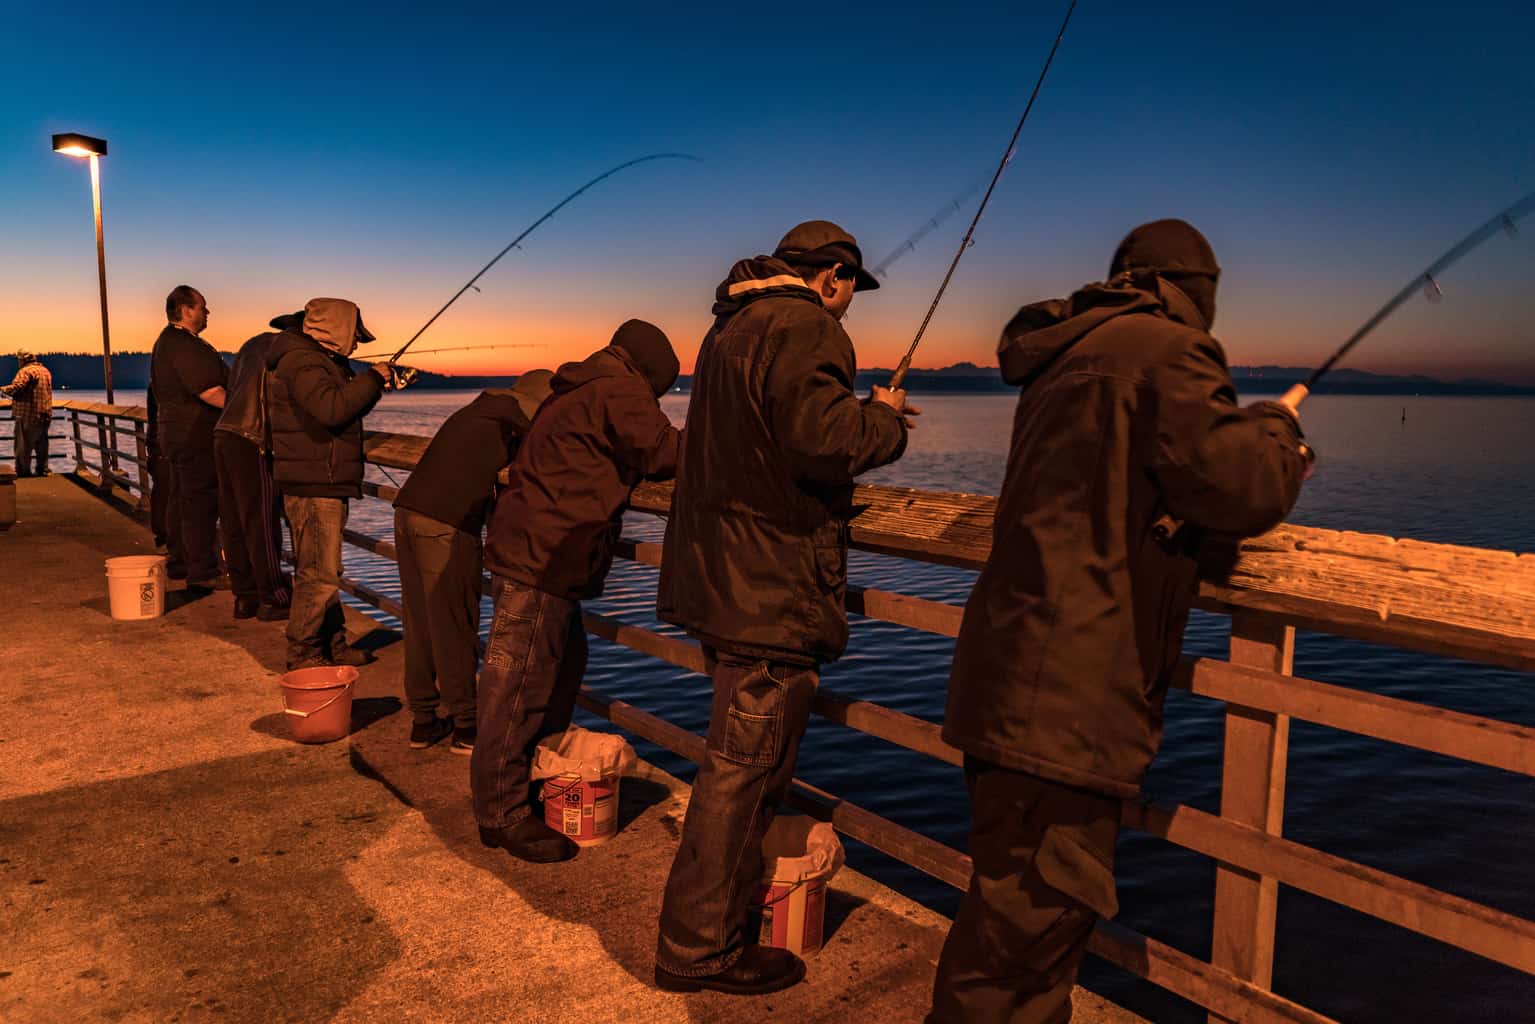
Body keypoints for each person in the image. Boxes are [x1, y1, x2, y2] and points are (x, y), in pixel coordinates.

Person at [928, 220, 1313, 1024]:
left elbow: (1119, 490)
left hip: (1006, 672)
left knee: (1008, 917)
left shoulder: (1064, 356)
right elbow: (1239, 488)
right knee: (1023, 942)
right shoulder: (1167, 351)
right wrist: (1278, 430)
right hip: (1067, 697)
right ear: (1194, 290)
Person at [653, 220, 914, 996]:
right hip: (767, 590)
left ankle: (707, 931)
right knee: (742, 774)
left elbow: (770, 437)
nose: (846, 308)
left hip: (720, 580)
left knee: (736, 765)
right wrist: (886, 420)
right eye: (849, 291)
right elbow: (822, 439)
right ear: (831, 275)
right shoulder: (804, 324)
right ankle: (697, 950)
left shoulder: (729, 329)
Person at [475, 321, 680, 864]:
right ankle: (502, 812)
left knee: (560, 668)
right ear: (651, 375)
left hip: (537, 549)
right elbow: (664, 454)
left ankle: (538, 781)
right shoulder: (619, 390)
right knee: (519, 684)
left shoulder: (576, 388)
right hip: (542, 556)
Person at [392, 370, 555, 754]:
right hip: (446, 523)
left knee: (419, 619)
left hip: (406, 513)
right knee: (453, 622)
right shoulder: (517, 421)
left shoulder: (476, 411)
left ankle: (423, 719)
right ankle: (466, 726)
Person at [265, 297, 391, 670]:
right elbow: (332, 410)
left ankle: (334, 644)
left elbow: (341, 407)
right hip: (315, 481)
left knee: (323, 570)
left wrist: (371, 384)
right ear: (335, 330)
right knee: (318, 574)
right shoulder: (303, 362)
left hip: (320, 476)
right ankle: (303, 653)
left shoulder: (317, 361)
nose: (356, 344)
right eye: (354, 335)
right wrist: (374, 377)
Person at [214, 311, 301, 621]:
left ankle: (245, 595)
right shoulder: (291, 351)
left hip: (225, 432)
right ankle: (274, 595)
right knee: (261, 520)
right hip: (254, 436)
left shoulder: (252, 345)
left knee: (234, 519)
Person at [150, 285, 228, 587]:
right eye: (203, 307)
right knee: (199, 502)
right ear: (186, 310)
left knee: (181, 498)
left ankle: (181, 561)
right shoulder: (182, 345)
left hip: (177, 433)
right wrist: (243, 409)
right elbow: (209, 391)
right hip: (194, 435)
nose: (207, 313)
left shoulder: (170, 342)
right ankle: (202, 570)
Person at [2, 350, 53, 477]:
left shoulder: (25, 371)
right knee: (42, 445)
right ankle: (42, 470)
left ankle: (23, 472)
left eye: (18, 360)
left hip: (27, 414)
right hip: (44, 413)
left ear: (22, 360)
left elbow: (18, 386)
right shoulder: (45, 371)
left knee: (23, 446)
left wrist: (2, 389)